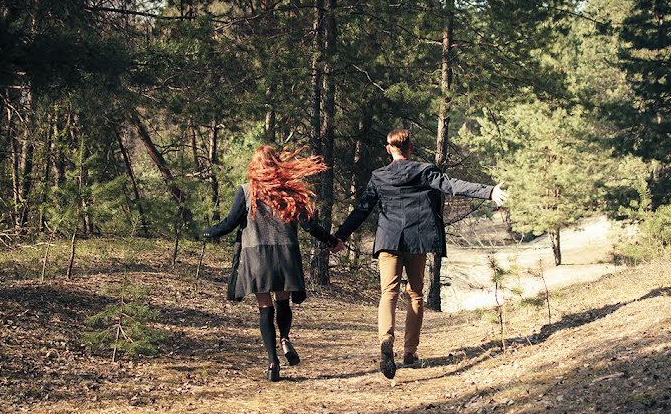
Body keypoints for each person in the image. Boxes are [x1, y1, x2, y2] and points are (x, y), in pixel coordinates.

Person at [332, 128, 505, 379]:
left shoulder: (379, 176)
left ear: (388, 149)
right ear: (411, 148)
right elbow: (452, 185)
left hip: (388, 240)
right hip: (417, 240)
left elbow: (361, 210)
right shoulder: (424, 171)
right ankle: (410, 353)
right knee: (415, 295)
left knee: (388, 293)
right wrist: (488, 191)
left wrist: (340, 236)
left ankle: (385, 340)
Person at [202, 145, 343, 381]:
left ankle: (272, 362)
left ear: (255, 166)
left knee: (265, 308)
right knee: (283, 301)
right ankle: (285, 338)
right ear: (277, 165)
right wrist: (331, 241)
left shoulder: (247, 191)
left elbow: (228, 224)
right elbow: (309, 226)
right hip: (285, 255)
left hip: (257, 257)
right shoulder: (290, 193)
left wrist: (206, 233)